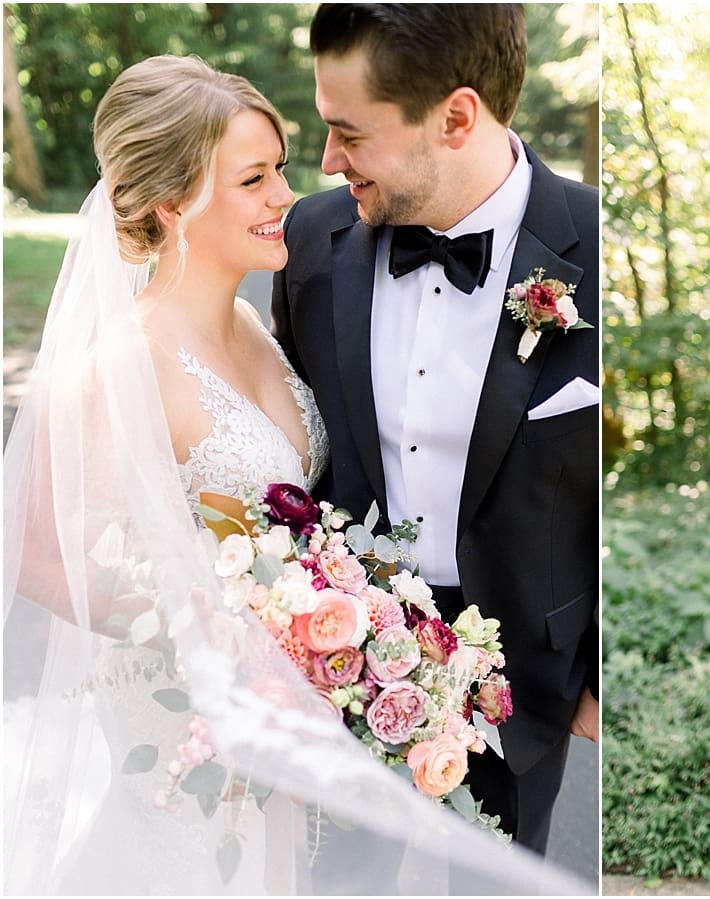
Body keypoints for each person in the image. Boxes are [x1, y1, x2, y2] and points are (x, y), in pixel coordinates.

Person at [3, 53, 581, 895]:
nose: (286, 194)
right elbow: (34, 551)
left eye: (278, 167)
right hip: (192, 729)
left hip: (283, 717)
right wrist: (212, 626)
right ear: (173, 203)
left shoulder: (250, 320)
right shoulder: (122, 362)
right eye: (254, 178)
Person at [273, 3, 600, 855]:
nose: (326, 161)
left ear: (457, 117)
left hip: (522, 673)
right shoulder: (313, 235)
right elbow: (293, 448)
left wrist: (596, 669)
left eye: (349, 133)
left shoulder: (599, 248)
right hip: (336, 655)